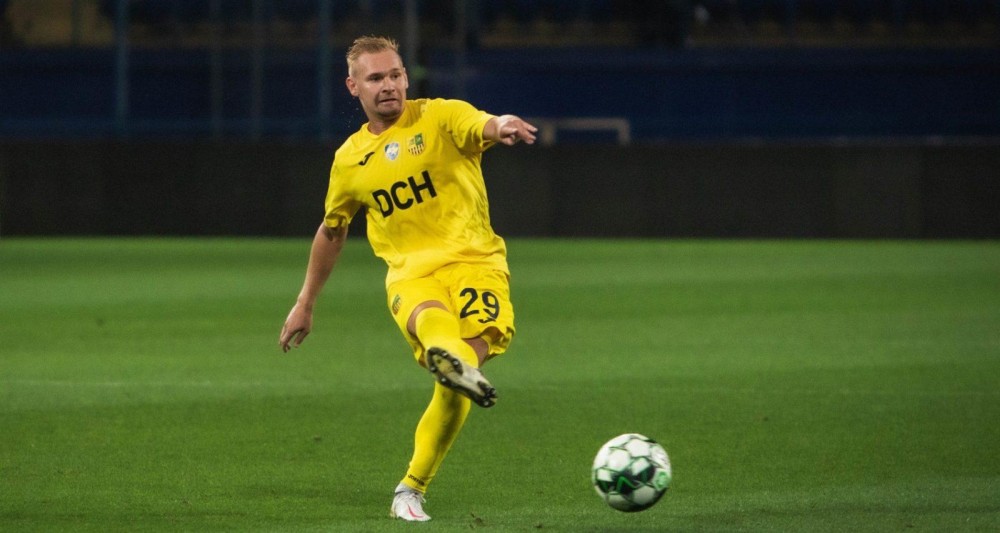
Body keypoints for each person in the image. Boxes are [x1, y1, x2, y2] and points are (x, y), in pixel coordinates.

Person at [278, 35, 537, 522]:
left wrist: (501, 124)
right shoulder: (350, 160)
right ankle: (449, 363)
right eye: (376, 78)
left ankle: (411, 484)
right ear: (353, 86)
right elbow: (333, 230)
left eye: (396, 75)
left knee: (459, 377)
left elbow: (480, 123)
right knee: (444, 341)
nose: (389, 86)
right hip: (411, 275)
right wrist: (305, 302)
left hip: (476, 263)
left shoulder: (439, 116)